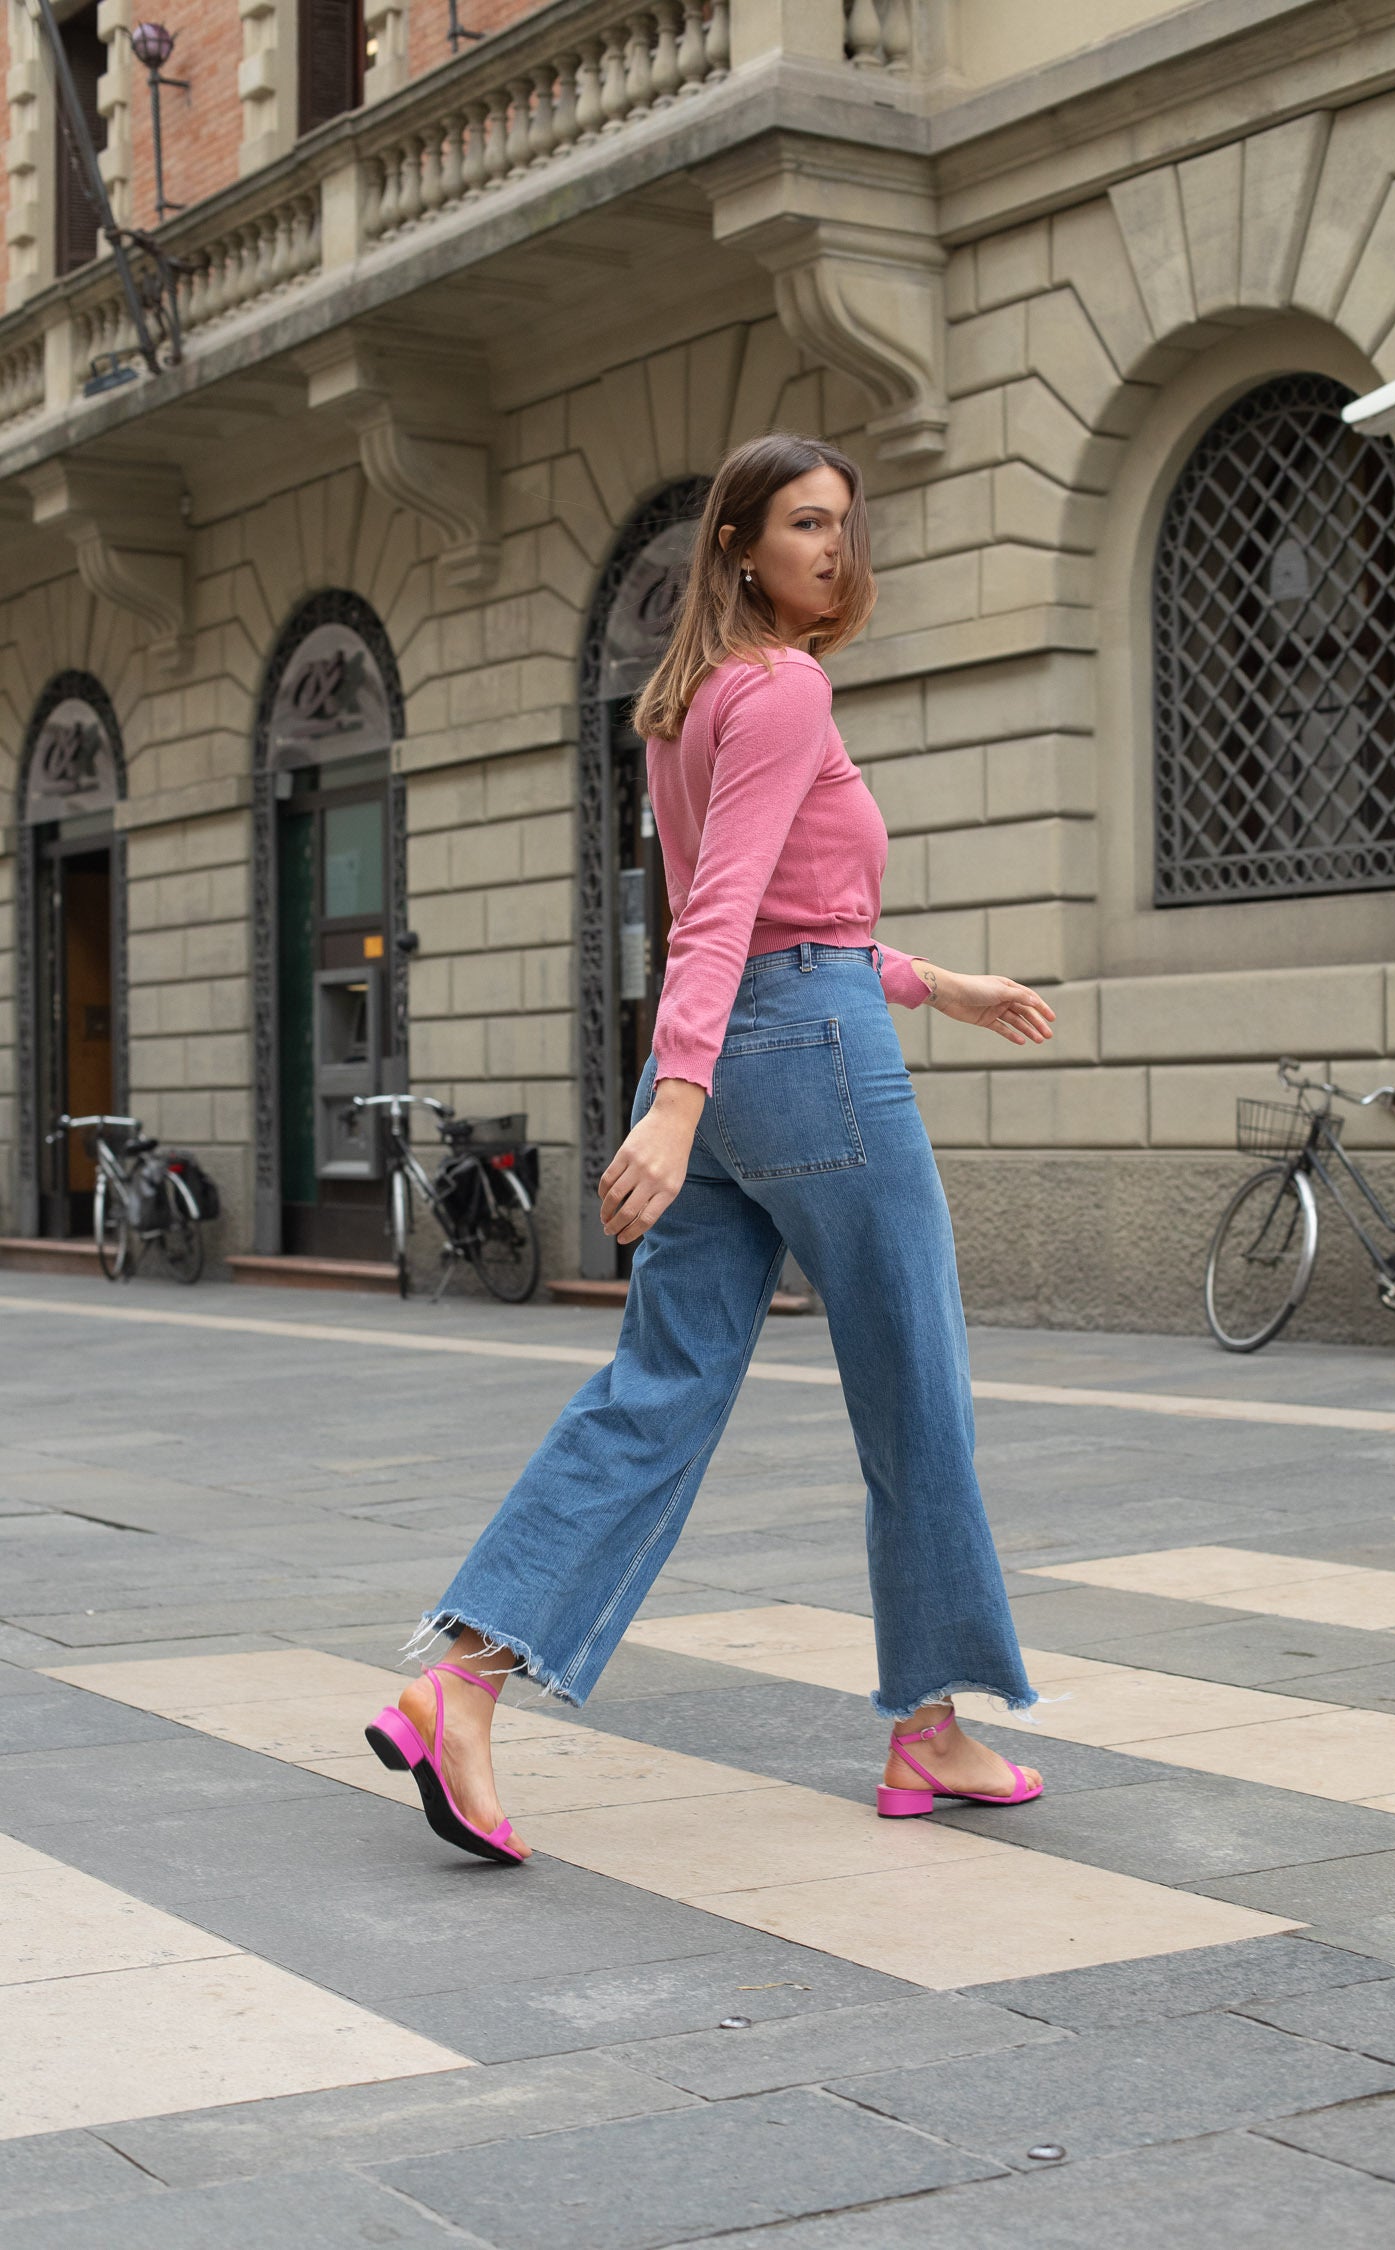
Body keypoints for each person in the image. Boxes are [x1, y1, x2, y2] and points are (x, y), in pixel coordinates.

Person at [366, 433, 1056, 1866]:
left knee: (661, 1387)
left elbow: (788, 915)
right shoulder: (788, 686)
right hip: (798, 1060)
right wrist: (674, 1106)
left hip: (746, 1053)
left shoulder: (687, 702)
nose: (834, 549)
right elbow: (732, 910)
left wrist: (935, 984)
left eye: (844, 526)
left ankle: (464, 1680)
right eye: (805, 524)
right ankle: (928, 1725)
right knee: (916, 1384)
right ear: (737, 545)